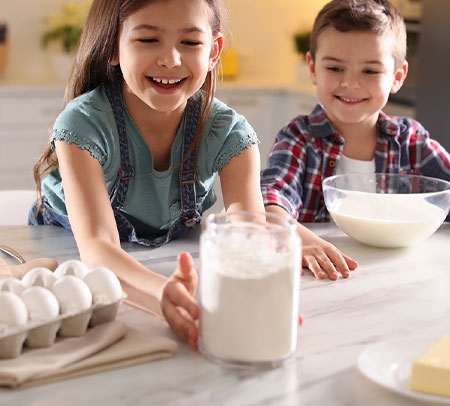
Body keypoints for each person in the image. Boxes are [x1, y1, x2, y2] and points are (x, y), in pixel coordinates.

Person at [29, 0, 264, 348]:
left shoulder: (231, 135)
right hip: (68, 250)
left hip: (163, 252)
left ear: (214, 52)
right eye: (148, 40)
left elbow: (250, 232)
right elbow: (97, 245)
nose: (171, 59)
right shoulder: (82, 125)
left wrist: (262, 298)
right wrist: (159, 293)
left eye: (190, 42)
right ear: (113, 47)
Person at [261, 0, 450, 280]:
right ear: (313, 68)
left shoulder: (412, 142)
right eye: (335, 69)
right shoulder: (299, 138)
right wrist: (302, 238)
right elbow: (269, 203)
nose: (350, 83)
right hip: (319, 279)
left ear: (397, 77)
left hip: (396, 277)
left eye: (370, 71)